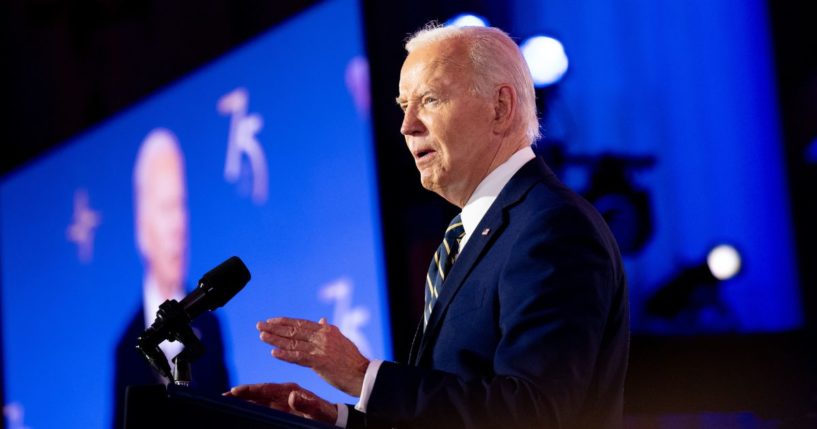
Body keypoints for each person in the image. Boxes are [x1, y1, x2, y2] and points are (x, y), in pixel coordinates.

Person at [225, 24, 629, 429]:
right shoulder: (470, 235)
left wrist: (363, 376)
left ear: (500, 107)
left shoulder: (551, 227)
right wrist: (338, 420)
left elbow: (535, 413)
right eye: (403, 105)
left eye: (430, 100)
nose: (407, 126)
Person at [112, 128, 230, 428]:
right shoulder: (126, 348)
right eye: (166, 208)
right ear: (142, 227)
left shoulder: (210, 325)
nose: (178, 225)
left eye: (181, 205)